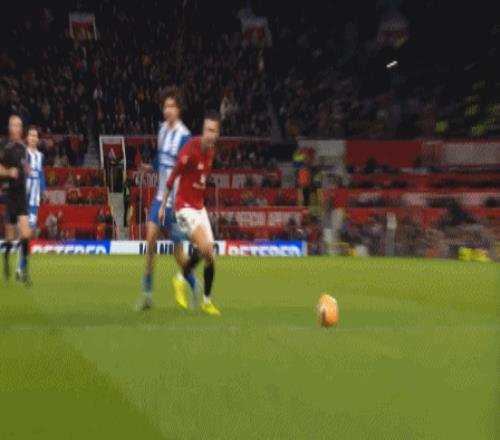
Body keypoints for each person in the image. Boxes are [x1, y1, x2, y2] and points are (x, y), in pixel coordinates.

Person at [136, 86, 197, 311]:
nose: (167, 110)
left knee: (178, 255)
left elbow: (186, 171)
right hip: (159, 199)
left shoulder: (185, 137)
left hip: (176, 203)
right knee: (150, 240)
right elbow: (159, 159)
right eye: (165, 106)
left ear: (179, 109)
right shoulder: (161, 130)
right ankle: (147, 294)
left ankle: (194, 285)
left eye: (172, 106)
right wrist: (148, 167)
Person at [159, 111, 221, 316]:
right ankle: (181, 280)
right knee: (205, 248)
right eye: (207, 130)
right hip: (184, 207)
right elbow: (172, 178)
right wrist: (163, 206)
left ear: (217, 134)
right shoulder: (190, 150)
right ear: (203, 130)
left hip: (199, 207)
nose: (209, 134)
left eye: (213, 131)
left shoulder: (211, 152)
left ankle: (205, 301)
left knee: (210, 257)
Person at [0, 115, 31, 284]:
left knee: (26, 233)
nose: (17, 128)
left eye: (19, 125)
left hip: (21, 194)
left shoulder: (23, 147)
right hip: (10, 194)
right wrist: (8, 172)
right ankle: (6, 259)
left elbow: (23, 164)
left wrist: (26, 169)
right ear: (9, 127)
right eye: (14, 125)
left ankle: (24, 270)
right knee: (10, 237)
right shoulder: (4, 146)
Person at [16, 126, 45, 276]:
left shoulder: (41, 156)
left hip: (34, 201)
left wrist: (43, 190)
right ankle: (21, 266)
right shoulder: (23, 153)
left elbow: (41, 174)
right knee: (23, 233)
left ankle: (21, 265)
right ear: (27, 138)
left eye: (35, 135)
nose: (33, 138)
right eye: (31, 135)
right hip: (23, 199)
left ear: (38, 139)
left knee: (28, 233)